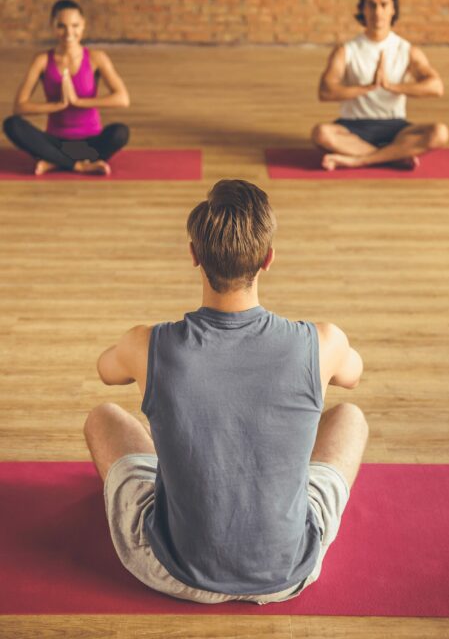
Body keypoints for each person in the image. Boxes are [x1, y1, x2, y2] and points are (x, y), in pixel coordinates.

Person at [84, 179, 369, 605]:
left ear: (194, 255)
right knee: (351, 417)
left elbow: (106, 372)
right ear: (268, 259)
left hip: (173, 568)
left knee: (103, 416)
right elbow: (353, 376)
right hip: (289, 570)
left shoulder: (147, 343)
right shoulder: (323, 341)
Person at [312, 0, 447, 170]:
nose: (377, 12)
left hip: (396, 127)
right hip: (353, 127)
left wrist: (391, 86)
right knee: (321, 133)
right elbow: (325, 91)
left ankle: (358, 159)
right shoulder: (346, 50)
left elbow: (436, 87)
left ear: (393, 9)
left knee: (440, 133)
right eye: (371, 5)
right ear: (362, 9)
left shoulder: (407, 50)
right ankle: (394, 156)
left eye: (384, 5)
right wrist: (367, 88)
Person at [3, 0, 130, 175]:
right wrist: (57, 106)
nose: (69, 32)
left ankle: (54, 161)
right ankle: (78, 165)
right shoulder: (42, 60)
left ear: (83, 25)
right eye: (61, 26)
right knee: (12, 125)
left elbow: (122, 99)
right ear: (52, 26)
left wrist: (77, 101)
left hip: (90, 143)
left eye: (75, 25)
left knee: (120, 132)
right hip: (55, 141)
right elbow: (19, 106)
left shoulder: (96, 58)